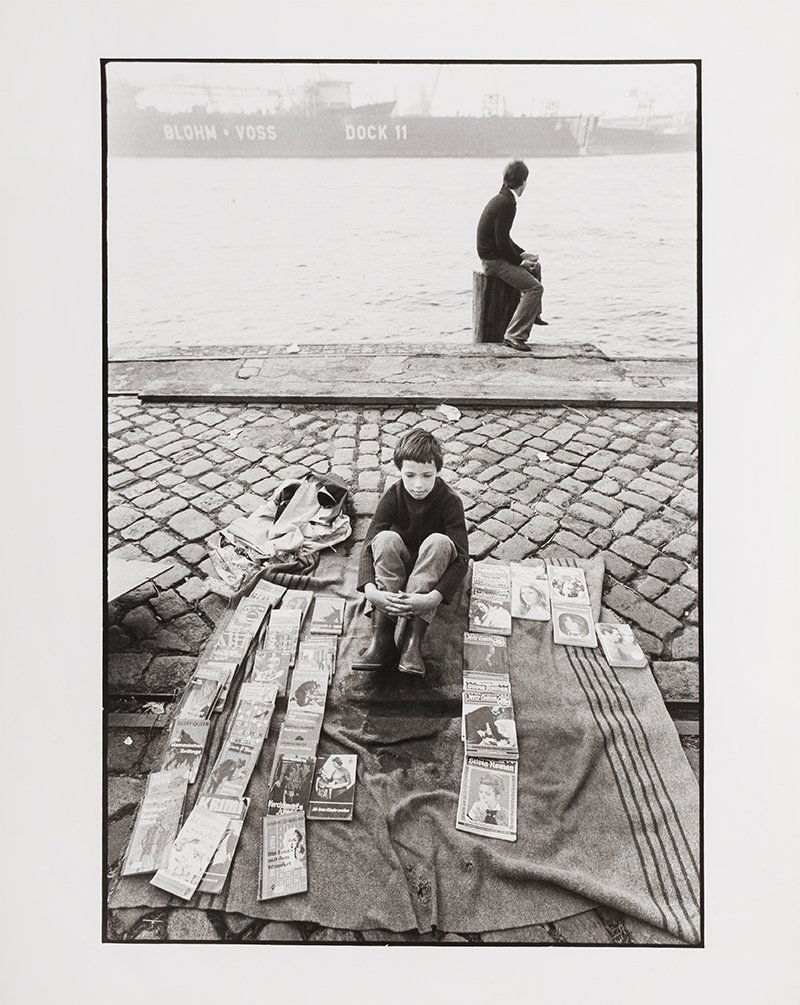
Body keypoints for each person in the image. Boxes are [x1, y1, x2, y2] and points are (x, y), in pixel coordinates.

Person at [354, 429, 469, 677]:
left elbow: (461, 559)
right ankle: (382, 636)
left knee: (439, 541)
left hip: (431, 569)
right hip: (400, 566)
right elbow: (368, 545)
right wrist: (372, 592)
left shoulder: (450, 501)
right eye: (410, 475)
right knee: (384, 538)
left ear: (438, 471)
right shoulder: (393, 495)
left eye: (427, 475)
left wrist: (433, 598)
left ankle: (411, 640)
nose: (418, 484)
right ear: (399, 472)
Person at [476, 159, 547, 352]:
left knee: (536, 267)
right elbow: (501, 244)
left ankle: (533, 314)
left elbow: (504, 238)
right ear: (523, 182)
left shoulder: (502, 198)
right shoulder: (507, 204)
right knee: (535, 289)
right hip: (492, 261)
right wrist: (520, 261)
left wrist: (523, 253)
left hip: (492, 256)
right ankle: (514, 335)